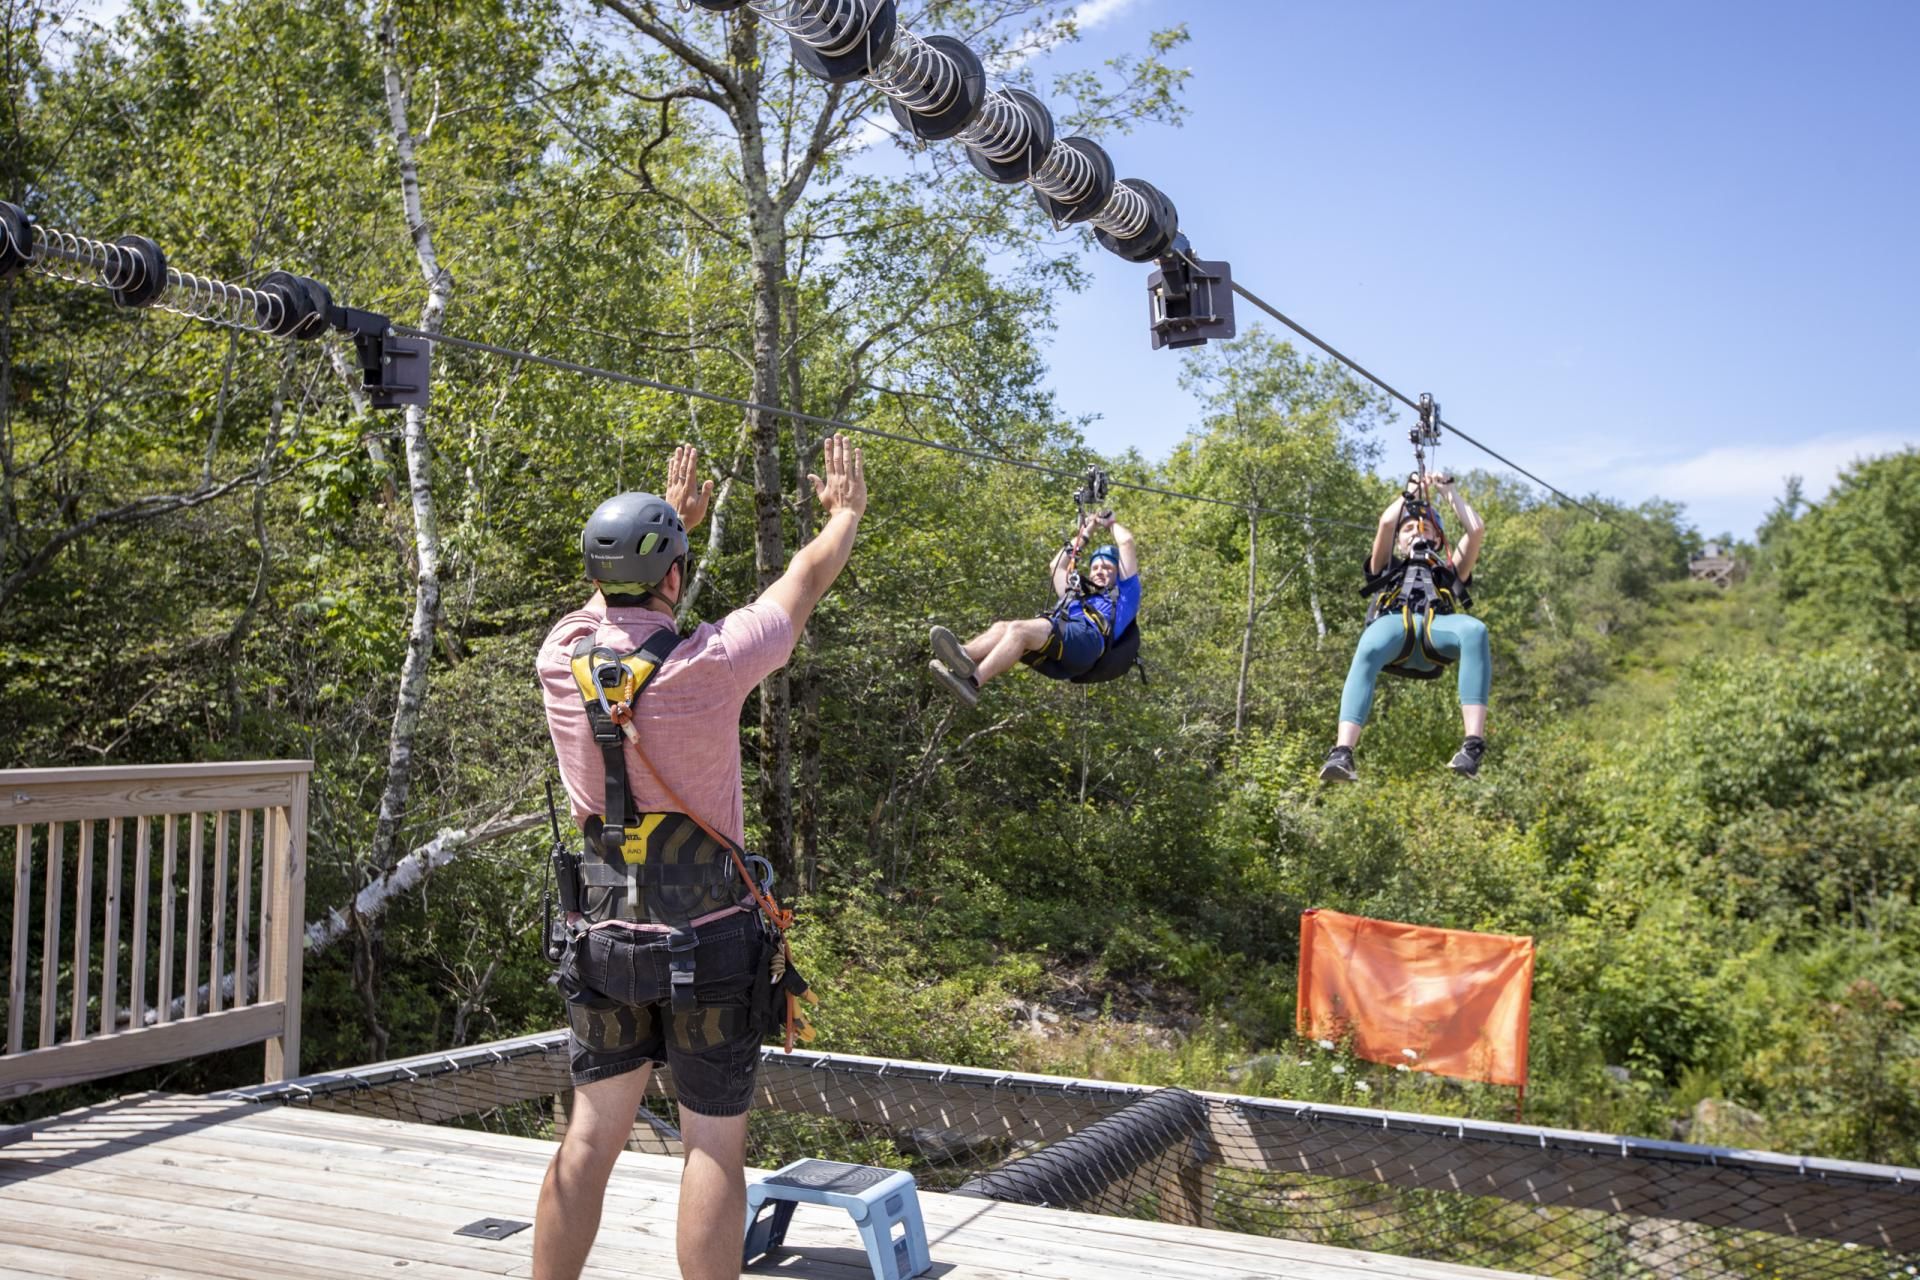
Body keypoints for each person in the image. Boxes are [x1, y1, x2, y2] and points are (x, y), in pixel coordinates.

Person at [533, 437, 867, 1280]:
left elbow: (608, 612)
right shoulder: (713, 663)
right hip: (709, 940)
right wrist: (847, 514)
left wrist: (667, 530)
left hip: (601, 937)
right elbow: (804, 579)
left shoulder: (557, 657)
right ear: (676, 576)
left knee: (591, 1133)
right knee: (712, 1146)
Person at [1320, 473, 1489, 782]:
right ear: (1399, 541)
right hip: (1394, 630)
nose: (1416, 532)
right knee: (1369, 643)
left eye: (1424, 528)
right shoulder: (1386, 567)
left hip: (1437, 631)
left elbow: (1475, 530)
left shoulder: (1447, 570)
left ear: (1438, 538)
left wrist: (1448, 492)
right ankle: (1342, 752)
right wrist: (1410, 493)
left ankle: (1472, 746)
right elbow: (1386, 523)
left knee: (1475, 630)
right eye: (1409, 529)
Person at [927, 510, 1141, 706]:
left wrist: (1109, 523)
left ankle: (973, 682)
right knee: (1004, 628)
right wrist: (1088, 530)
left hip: (1088, 641)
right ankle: (965, 655)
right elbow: (1056, 566)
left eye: (1107, 567)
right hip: (1067, 647)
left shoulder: (1124, 596)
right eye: (1095, 567)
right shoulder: (1077, 595)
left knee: (1020, 630)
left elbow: (1127, 543)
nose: (1099, 571)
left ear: (1118, 572)